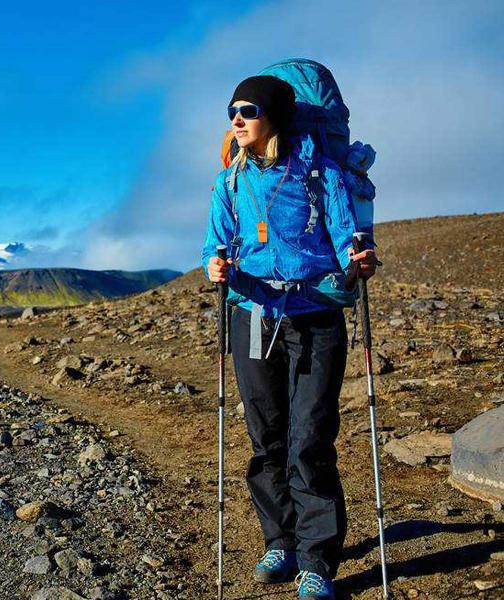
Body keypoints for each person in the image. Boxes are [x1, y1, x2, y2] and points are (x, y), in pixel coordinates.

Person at [201, 75, 378, 599]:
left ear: (274, 116)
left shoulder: (318, 172)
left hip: (315, 311)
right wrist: (214, 265)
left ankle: (317, 559)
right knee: (267, 434)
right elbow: (215, 240)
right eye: (232, 110)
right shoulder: (229, 181)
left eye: (248, 110)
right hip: (252, 312)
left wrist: (358, 257)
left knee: (310, 436)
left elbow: (348, 234)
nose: (237, 119)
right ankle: (280, 540)